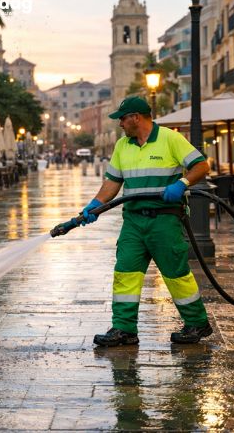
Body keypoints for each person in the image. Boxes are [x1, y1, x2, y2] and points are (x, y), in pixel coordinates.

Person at [57, 96, 212, 347]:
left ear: (136, 118)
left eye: (122, 118)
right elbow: (113, 182)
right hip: (133, 221)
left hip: (164, 220)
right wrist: (96, 204)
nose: (119, 123)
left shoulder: (170, 139)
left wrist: (181, 184)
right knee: (125, 272)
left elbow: (201, 166)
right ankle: (124, 329)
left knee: (176, 274)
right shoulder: (122, 146)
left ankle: (197, 323)